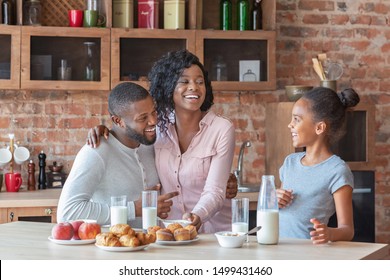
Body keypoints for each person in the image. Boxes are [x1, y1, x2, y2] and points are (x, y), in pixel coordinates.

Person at [88, 50, 236, 233]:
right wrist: (106, 131)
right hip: (170, 233)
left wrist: (196, 216)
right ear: (168, 86)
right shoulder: (157, 126)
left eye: (200, 82)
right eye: (184, 81)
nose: (194, 87)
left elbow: (215, 191)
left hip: (214, 234)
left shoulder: (221, 129)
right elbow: (129, 133)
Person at [57, 82, 178, 228]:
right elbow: (67, 213)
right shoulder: (96, 152)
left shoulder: (151, 144)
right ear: (118, 121)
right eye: (142, 118)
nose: (153, 121)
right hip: (111, 247)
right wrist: (135, 209)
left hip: (150, 245)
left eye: (153, 112)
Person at [277, 87, 359, 244]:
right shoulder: (290, 162)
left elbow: (347, 230)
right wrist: (274, 200)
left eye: (297, 119)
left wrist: (330, 234)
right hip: (279, 251)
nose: (290, 125)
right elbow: (282, 212)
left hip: (309, 256)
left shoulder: (337, 171)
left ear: (320, 127)